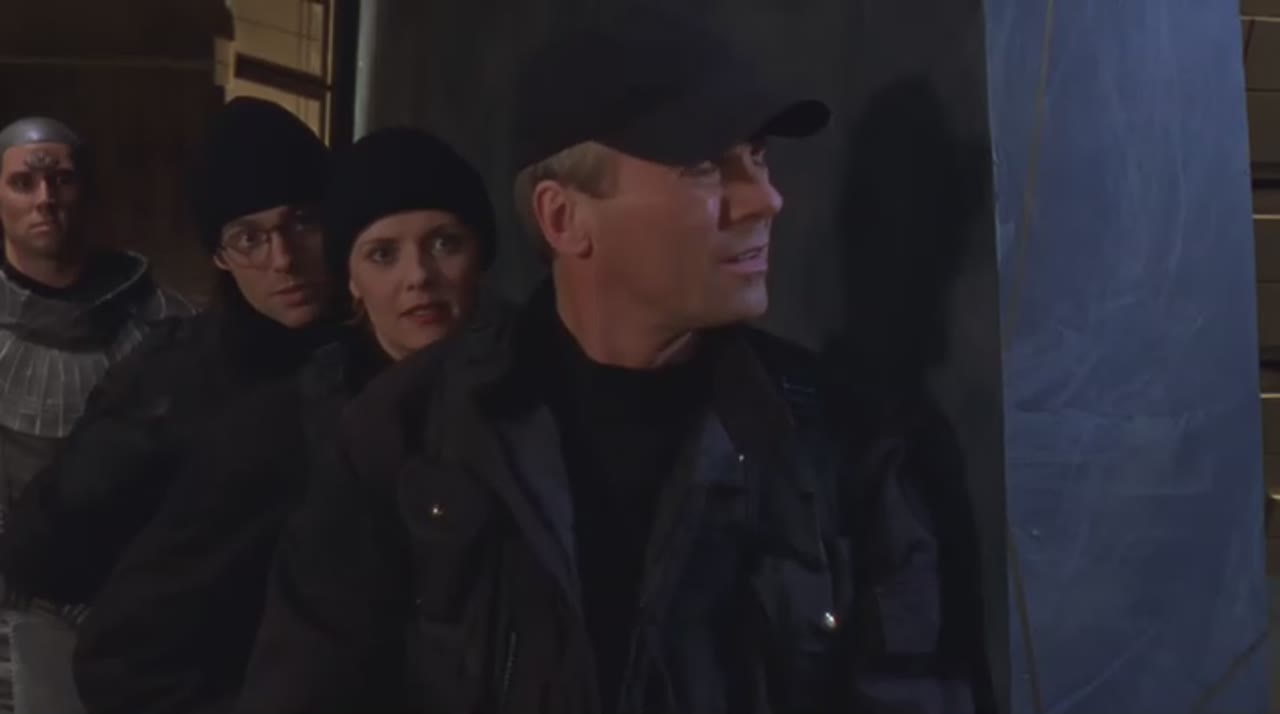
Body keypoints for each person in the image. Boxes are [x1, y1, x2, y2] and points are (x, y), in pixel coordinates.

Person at [236, 9, 980, 714]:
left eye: (757, 157)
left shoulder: (848, 450)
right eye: (704, 165)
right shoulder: (406, 435)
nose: (765, 199)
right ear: (564, 218)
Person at [71, 127, 499, 714]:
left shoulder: (526, 405)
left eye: (445, 243)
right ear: (351, 277)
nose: (419, 276)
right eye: (383, 253)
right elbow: (123, 655)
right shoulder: (284, 427)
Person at [0, 97, 332, 613]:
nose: (283, 259)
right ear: (221, 254)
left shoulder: (160, 325)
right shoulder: (169, 372)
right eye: (250, 237)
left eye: (304, 222)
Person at [0, 116, 194, 714]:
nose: (45, 199)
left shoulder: (165, 324)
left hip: (136, 610)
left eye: (62, 179)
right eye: (23, 183)